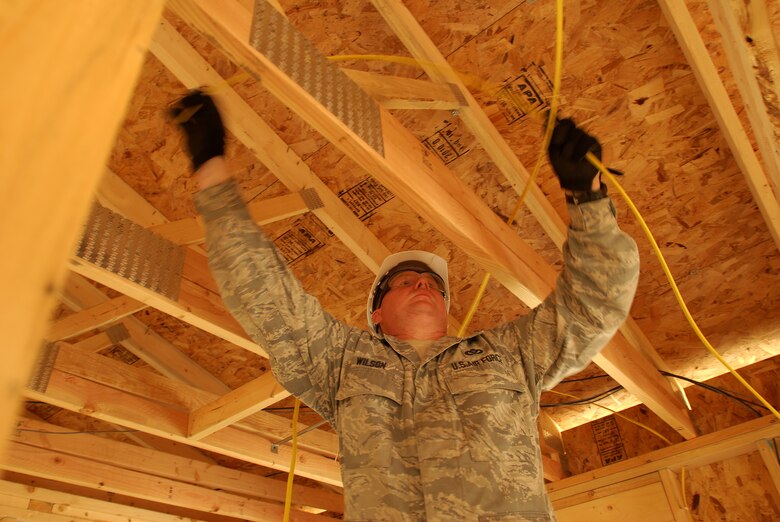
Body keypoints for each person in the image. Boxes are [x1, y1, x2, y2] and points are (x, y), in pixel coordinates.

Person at [171, 90, 640, 521]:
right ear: (375, 314)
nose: (423, 285)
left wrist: (588, 196)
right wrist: (211, 166)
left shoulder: (511, 354)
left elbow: (593, 304)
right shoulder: (339, 362)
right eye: (405, 281)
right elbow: (263, 292)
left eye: (433, 284)